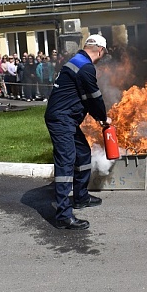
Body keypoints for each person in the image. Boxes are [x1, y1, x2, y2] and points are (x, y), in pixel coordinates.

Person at [44, 34, 111, 230]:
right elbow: (94, 97)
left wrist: (98, 116)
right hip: (61, 120)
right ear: (100, 50)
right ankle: (64, 216)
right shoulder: (85, 66)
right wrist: (102, 117)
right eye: (103, 53)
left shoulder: (76, 61)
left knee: (82, 153)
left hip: (66, 119)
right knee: (66, 161)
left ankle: (80, 197)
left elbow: (84, 97)